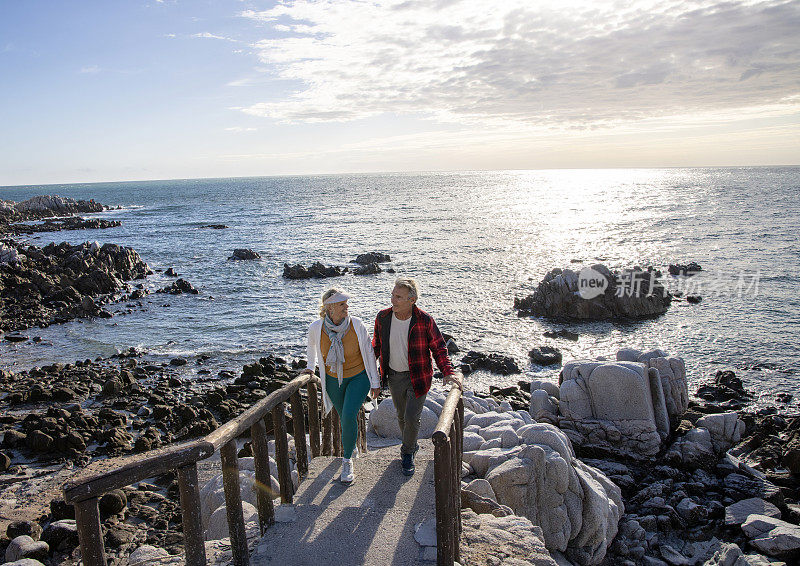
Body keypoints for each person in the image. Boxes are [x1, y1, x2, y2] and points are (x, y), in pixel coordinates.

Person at [373, 278, 462, 476]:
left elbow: (439, 347)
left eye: (398, 297)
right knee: (401, 417)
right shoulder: (383, 318)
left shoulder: (424, 320)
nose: (393, 300)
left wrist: (447, 371)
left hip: (419, 376)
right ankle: (411, 446)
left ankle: (406, 454)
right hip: (394, 376)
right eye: (393, 295)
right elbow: (376, 347)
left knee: (412, 418)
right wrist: (368, 374)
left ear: (411, 300)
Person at [302, 288, 381, 484]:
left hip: (358, 377)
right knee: (344, 417)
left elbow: (369, 354)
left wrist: (375, 381)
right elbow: (311, 348)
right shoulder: (316, 328)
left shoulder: (356, 325)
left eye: (346, 303)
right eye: (341, 304)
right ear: (329, 308)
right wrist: (310, 368)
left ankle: (347, 462)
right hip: (331, 379)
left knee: (347, 415)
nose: (347, 306)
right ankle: (351, 445)